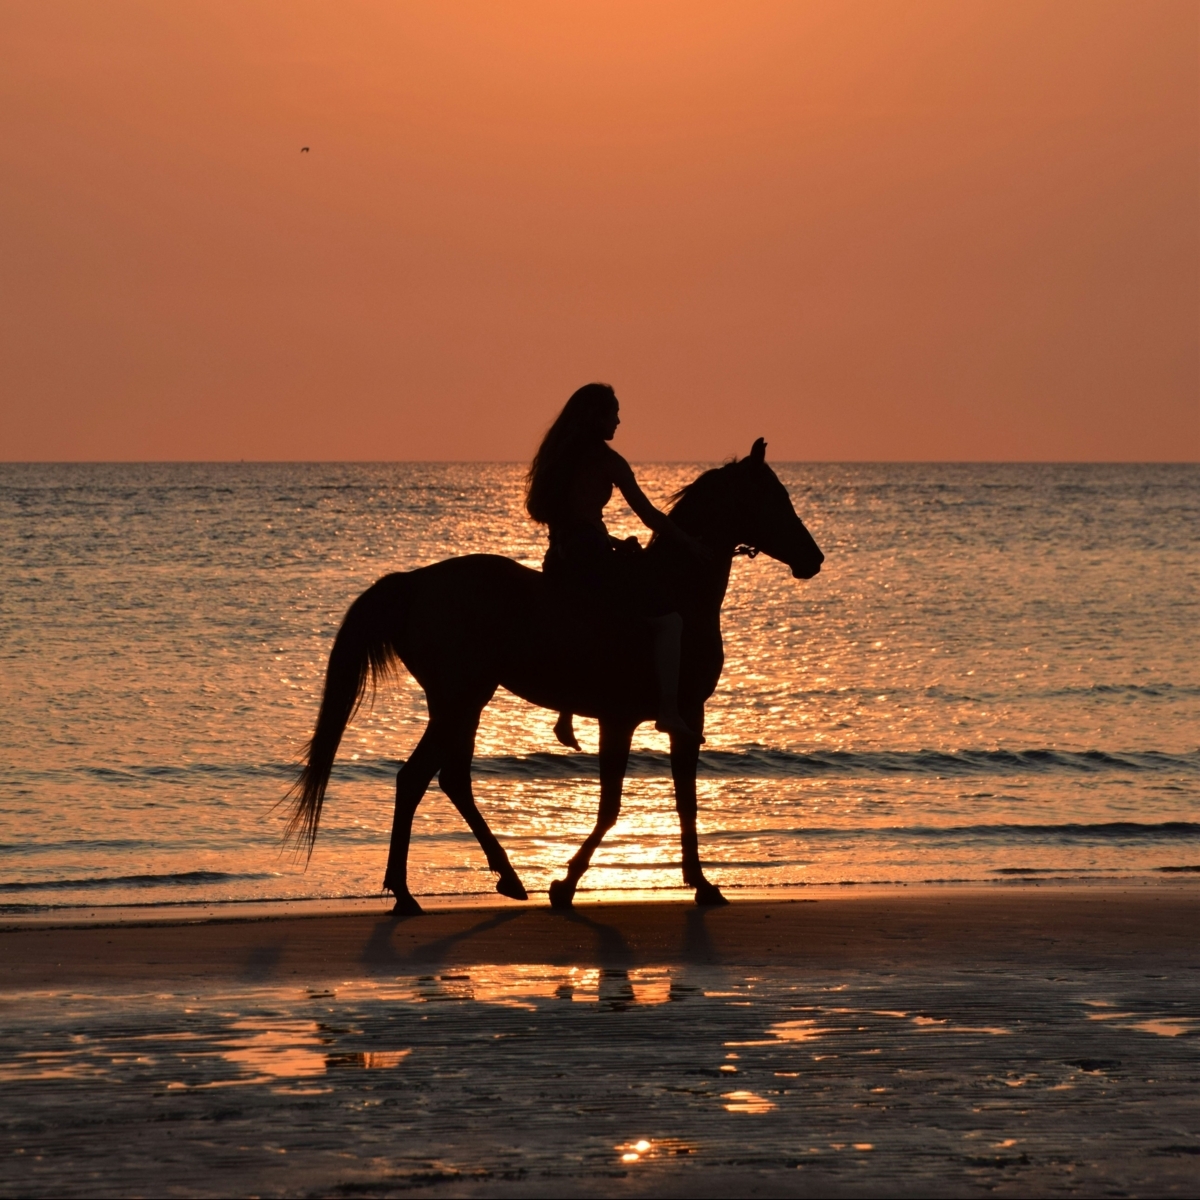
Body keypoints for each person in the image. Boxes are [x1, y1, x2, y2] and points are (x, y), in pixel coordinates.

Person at [525, 382, 707, 746]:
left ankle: (567, 713)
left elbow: (562, 521)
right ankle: (669, 712)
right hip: (590, 562)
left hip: (559, 560)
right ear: (597, 417)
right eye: (614, 413)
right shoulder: (607, 460)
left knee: (584, 621)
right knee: (669, 622)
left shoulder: (557, 457)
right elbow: (649, 516)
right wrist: (687, 542)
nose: (619, 420)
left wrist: (609, 540)